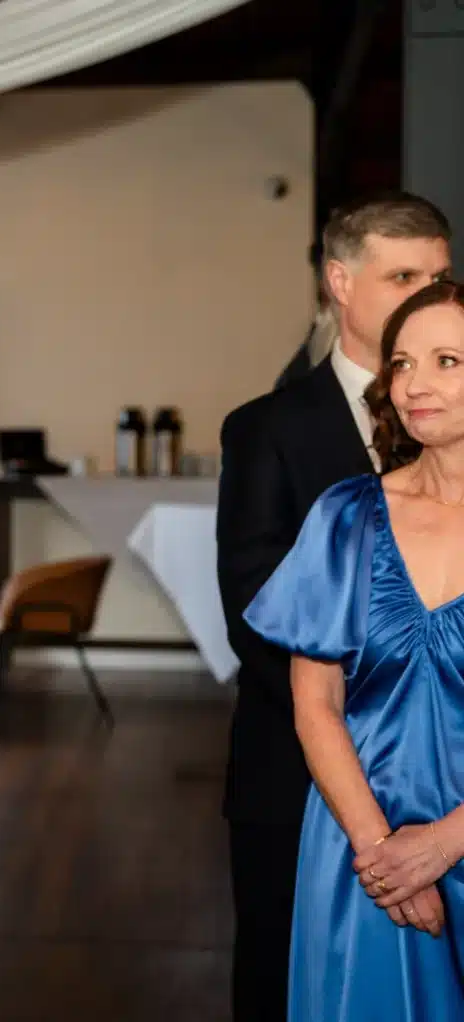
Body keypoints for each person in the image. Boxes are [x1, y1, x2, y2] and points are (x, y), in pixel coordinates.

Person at [216, 191, 452, 1022]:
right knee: (290, 984)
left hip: (453, 789)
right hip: (304, 776)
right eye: (403, 275)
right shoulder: (265, 429)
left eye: (440, 275)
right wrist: (369, 797)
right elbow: (256, 618)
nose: (427, 291)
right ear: (341, 282)